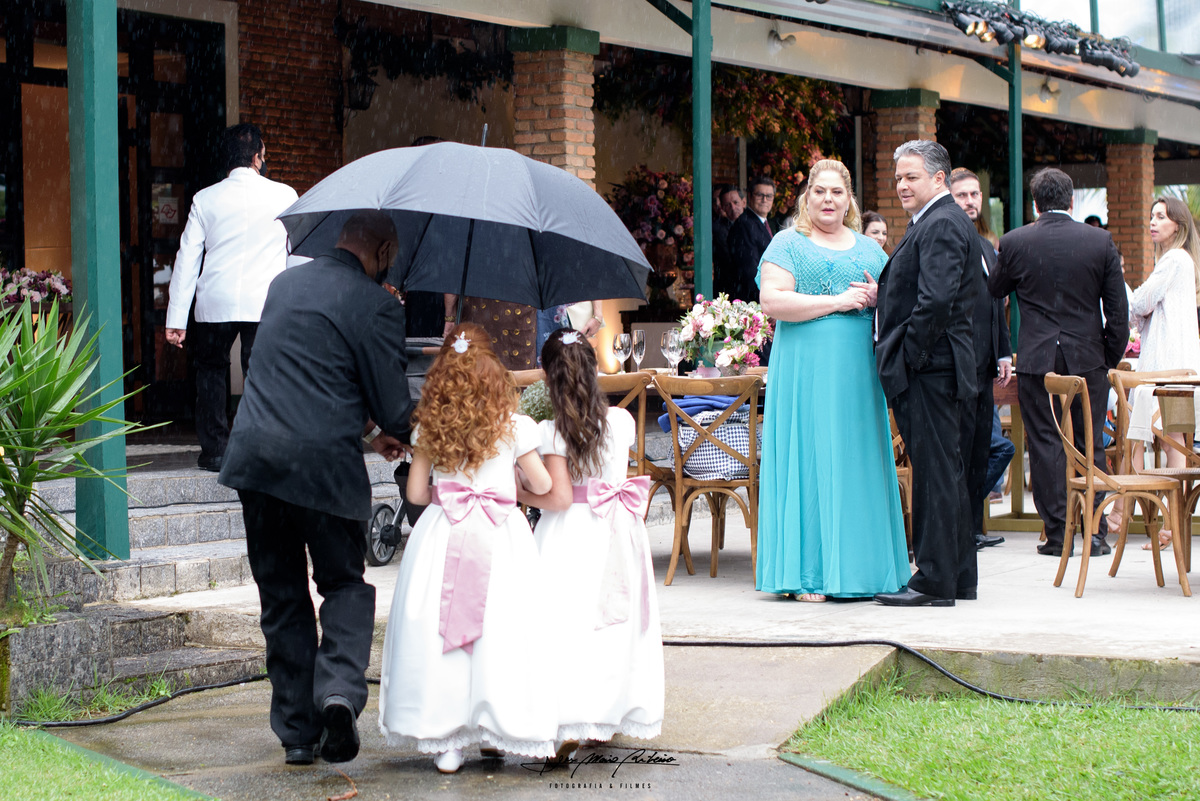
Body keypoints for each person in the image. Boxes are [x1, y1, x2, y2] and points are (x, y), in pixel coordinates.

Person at [218, 211, 413, 766]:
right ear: (381, 251)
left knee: (282, 596)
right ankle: (338, 694)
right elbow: (397, 410)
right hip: (324, 469)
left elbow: (305, 373)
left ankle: (298, 735)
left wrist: (369, 432)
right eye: (391, 257)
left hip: (256, 462)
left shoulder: (284, 285)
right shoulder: (377, 304)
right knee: (344, 585)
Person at [378, 323, 557, 773]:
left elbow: (416, 494)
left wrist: (448, 488)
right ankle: (493, 730)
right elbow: (542, 484)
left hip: (445, 529)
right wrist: (511, 485)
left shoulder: (430, 426)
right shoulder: (514, 426)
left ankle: (447, 741)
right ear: (493, 371)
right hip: (500, 532)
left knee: (440, 636)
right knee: (502, 629)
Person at [756, 159, 909, 602]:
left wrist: (880, 297)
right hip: (804, 369)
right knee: (810, 457)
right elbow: (772, 301)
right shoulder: (788, 242)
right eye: (819, 191)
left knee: (857, 457)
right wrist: (839, 301)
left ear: (849, 200)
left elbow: (896, 302)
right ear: (807, 198)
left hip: (857, 372)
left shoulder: (870, 250)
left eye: (836, 192)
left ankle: (866, 570)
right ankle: (809, 574)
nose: (828, 199)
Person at [519, 327, 664, 756]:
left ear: (548, 377)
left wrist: (520, 494)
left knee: (568, 621)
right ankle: (605, 715)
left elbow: (560, 498)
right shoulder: (620, 421)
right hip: (617, 529)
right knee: (613, 624)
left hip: (570, 533)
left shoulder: (551, 431)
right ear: (594, 369)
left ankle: (567, 712)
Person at [988, 167, 1128, 557]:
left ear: (1035, 204)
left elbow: (995, 289)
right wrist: (1107, 356)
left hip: (1037, 357)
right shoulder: (1099, 241)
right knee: (1090, 442)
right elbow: (1118, 312)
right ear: (1072, 200)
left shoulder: (1015, 241)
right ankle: (1094, 533)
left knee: (1045, 443)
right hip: (1088, 357)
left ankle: (1056, 534)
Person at [874, 140, 980, 608]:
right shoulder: (935, 220)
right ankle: (958, 576)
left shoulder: (941, 222)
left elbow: (936, 301)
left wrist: (909, 356)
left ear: (939, 178)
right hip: (938, 365)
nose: (901, 185)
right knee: (945, 473)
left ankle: (935, 580)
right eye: (898, 177)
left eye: (911, 176)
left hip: (932, 368)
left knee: (936, 474)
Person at [166, 123, 299, 472]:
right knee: (262, 374)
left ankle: (215, 451)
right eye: (263, 155)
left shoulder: (205, 198)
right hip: (266, 301)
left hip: (215, 301)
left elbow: (187, 259)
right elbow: (296, 252)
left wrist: (176, 319)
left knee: (211, 372)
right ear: (257, 158)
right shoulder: (285, 195)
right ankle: (259, 448)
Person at [1118, 196, 1200, 550]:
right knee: (1172, 442)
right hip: (1178, 363)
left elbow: (1139, 302)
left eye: (1161, 217)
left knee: (1154, 438)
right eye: (1151, 215)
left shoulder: (1174, 259)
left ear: (1177, 225)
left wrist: (1139, 307)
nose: (1153, 222)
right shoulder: (1181, 260)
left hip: (1166, 365)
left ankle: (1131, 515)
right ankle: (1169, 523)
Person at [949, 168, 1013, 551]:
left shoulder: (988, 247)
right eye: (962, 195)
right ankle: (958, 529)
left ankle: (972, 528)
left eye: (975, 195)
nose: (971, 201)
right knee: (965, 449)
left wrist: (1003, 350)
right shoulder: (947, 243)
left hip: (986, 365)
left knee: (981, 450)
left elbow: (996, 304)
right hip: (957, 365)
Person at [726, 176, 777, 303]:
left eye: (769, 196)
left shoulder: (766, 223)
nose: (764, 200)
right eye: (760, 195)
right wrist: (767, 300)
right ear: (750, 196)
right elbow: (749, 271)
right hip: (751, 301)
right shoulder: (744, 225)